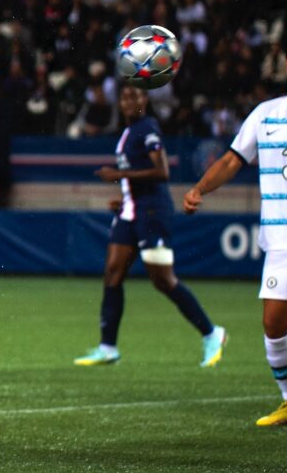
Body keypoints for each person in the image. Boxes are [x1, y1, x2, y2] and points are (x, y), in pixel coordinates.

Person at [183, 35, 287, 426]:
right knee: (273, 326)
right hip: (284, 240)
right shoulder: (265, 114)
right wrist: (200, 188)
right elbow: (232, 160)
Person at [74, 85, 227, 368]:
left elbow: (162, 171)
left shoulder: (148, 127)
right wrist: (123, 199)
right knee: (113, 273)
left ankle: (211, 333)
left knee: (162, 279)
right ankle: (108, 347)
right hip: (131, 210)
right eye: (124, 97)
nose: (129, 101)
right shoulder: (130, 131)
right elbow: (137, 175)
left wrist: (119, 174)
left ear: (146, 100)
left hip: (152, 211)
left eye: (135, 96)